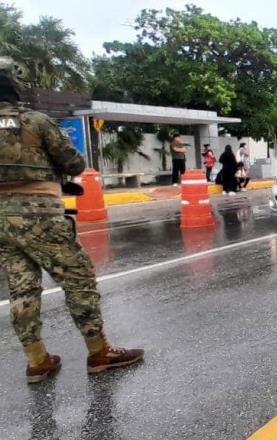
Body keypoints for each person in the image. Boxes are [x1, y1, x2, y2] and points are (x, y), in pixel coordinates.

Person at [0, 57, 143, 384]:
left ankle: (37, 361)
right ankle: (99, 352)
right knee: (77, 277)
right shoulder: (34, 122)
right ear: (14, 83)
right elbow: (74, 164)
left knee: (21, 287)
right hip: (38, 212)